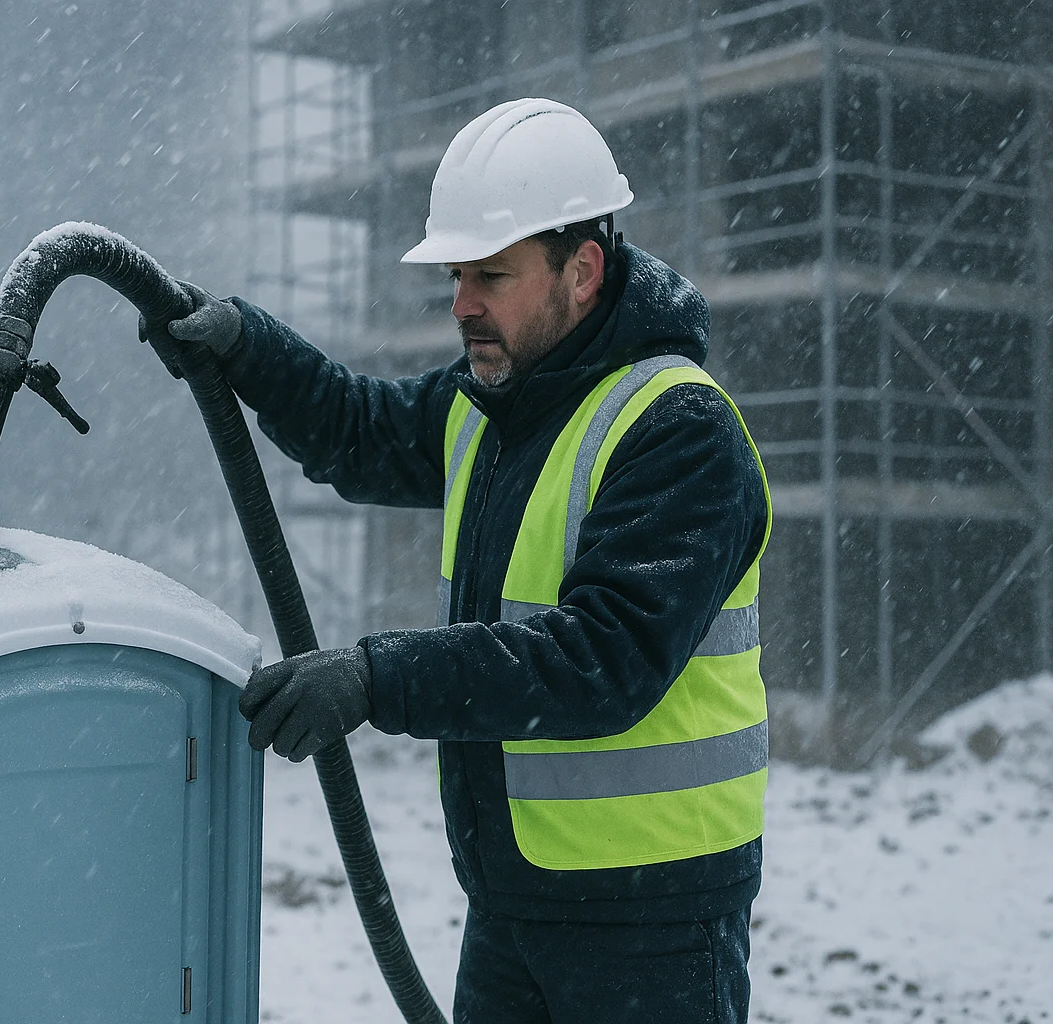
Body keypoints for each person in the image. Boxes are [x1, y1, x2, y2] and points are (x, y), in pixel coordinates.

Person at [150, 98, 770, 1023]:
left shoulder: (679, 430)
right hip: (514, 898)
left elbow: (599, 661)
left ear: (583, 272)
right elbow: (358, 432)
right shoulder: (498, 402)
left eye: (491, 275)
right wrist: (247, 346)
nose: (462, 304)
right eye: (456, 276)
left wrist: (374, 677)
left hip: (654, 923)